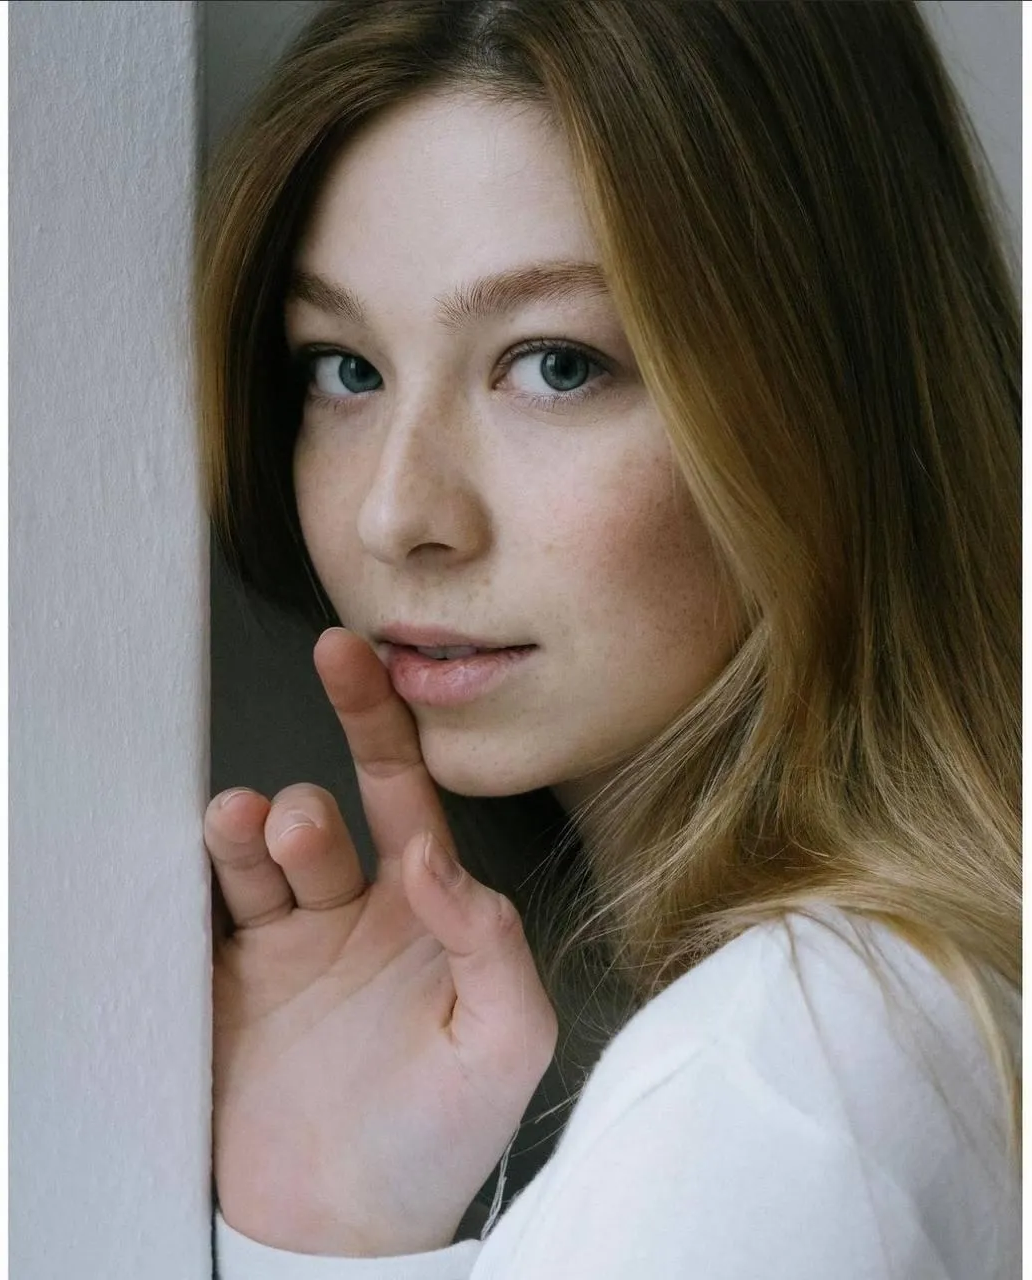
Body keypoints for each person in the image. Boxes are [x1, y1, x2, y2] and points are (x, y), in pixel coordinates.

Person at [194, 1, 1021, 1276]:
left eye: (556, 365)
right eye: (344, 369)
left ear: (830, 395)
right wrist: (337, 1228)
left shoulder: (776, 1086)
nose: (395, 513)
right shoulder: (882, 1024)